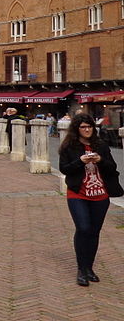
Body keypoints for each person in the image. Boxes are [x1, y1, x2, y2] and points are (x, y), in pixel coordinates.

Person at [58, 112, 123, 286]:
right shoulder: (69, 146)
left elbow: (112, 168)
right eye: (83, 127)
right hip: (78, 194)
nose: (87, 130)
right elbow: (64, 169)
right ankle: (81, 269)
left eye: (89, 127)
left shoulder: (100, 145)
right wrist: (80, 161)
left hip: (101, 195)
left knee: (94, 232)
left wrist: (100, 159)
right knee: (83, 228)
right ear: (76, 129)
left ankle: (89, 268)